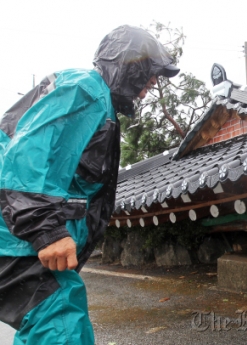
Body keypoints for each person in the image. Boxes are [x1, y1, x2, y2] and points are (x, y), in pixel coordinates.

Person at [0, 25, 179, 344]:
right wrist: (45, 230)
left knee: (55, 316)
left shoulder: (98, 101)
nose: (151, 85)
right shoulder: (86, 90)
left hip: (14, 235)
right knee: (60, 319)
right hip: (14, 237)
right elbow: (27, 156)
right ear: (130, 65)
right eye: (150, 75)